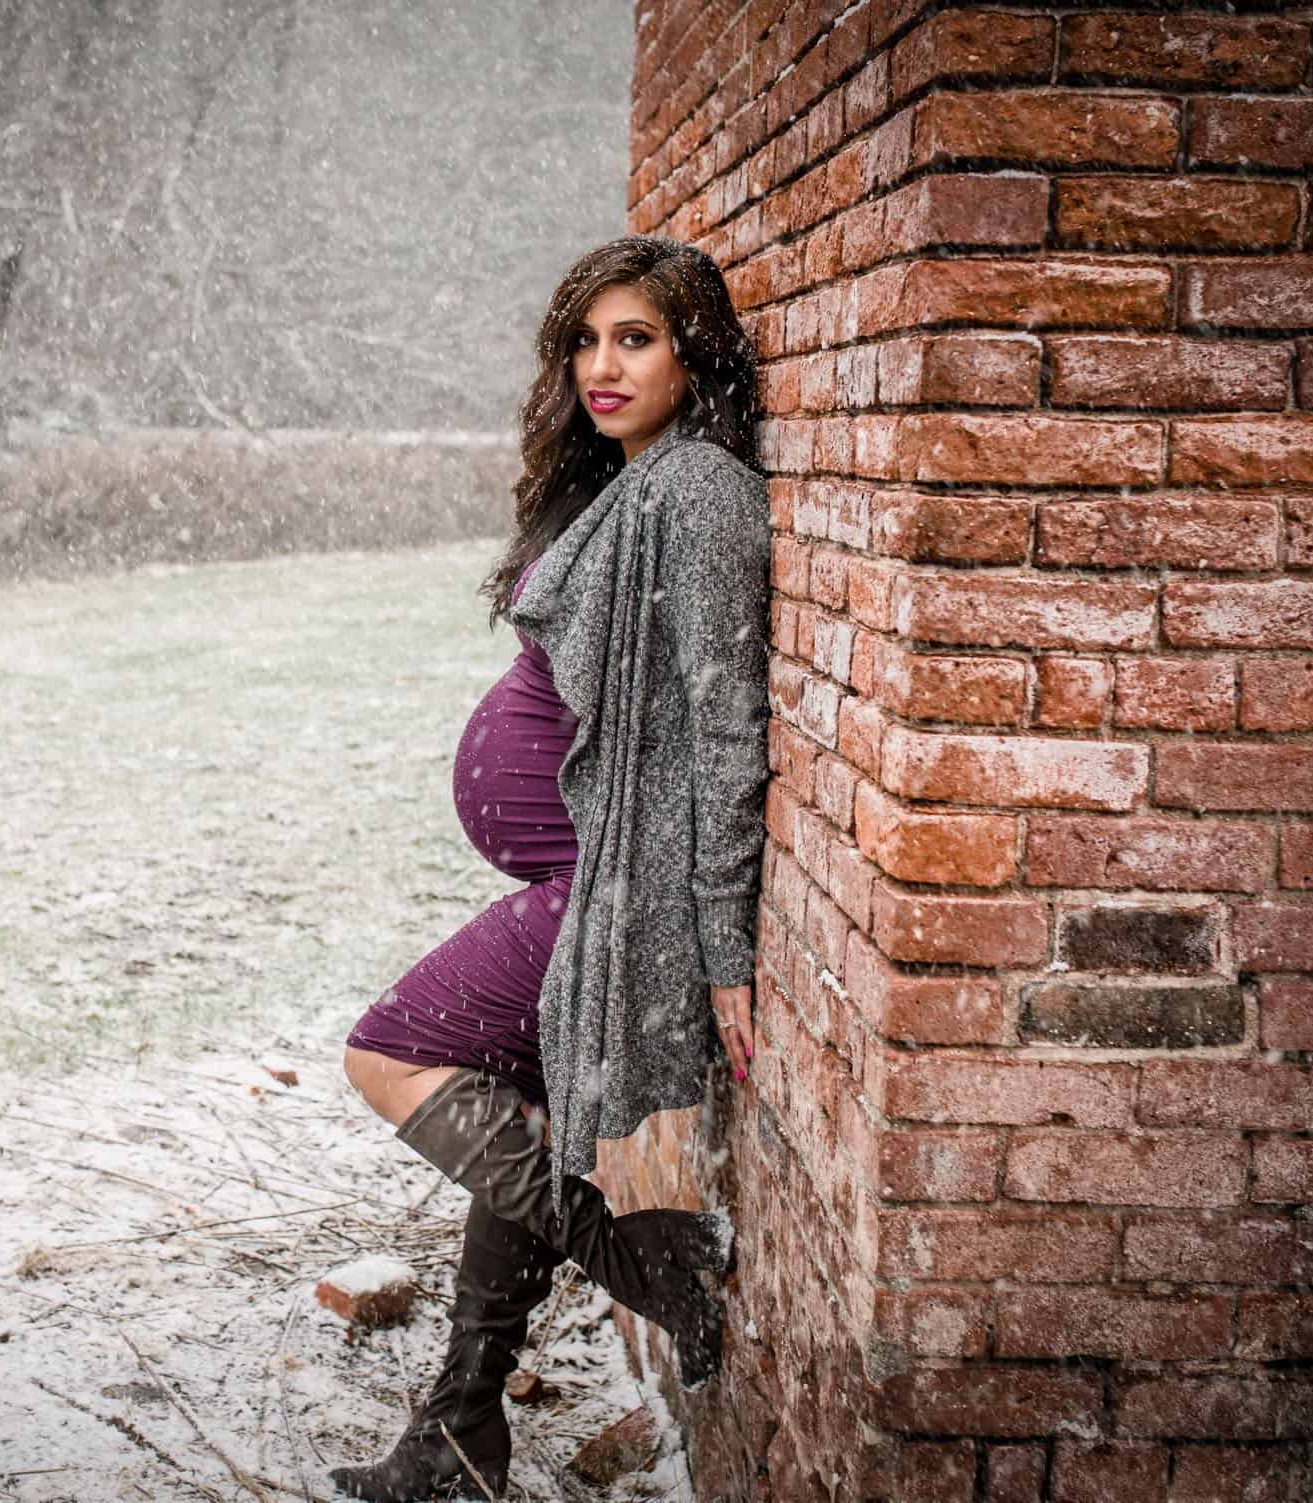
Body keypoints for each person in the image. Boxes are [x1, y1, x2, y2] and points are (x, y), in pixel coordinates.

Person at [331, 235, 771, 1502]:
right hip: (586, 886)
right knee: (511, 1111)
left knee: (387, 1055)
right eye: (584, 340)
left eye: (635, 338)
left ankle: (640, 1260)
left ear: (694, 353)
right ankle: (459, 1427)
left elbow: (726, 722)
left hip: (616, 898)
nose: (600, 365)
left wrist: (722, 948)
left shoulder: (696, 493)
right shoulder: (633, 483)